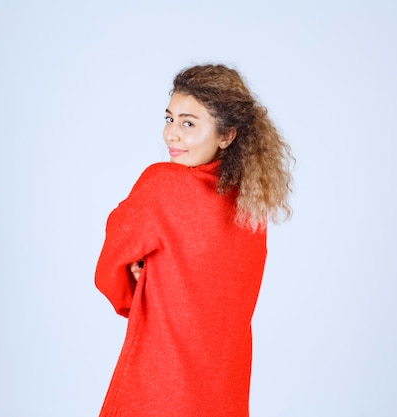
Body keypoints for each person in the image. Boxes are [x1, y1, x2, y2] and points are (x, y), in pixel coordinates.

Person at [94, 63, 293, 417]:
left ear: (226, 135)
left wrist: (139, 281)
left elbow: (111, 268)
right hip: (224, 390)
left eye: (188, 123)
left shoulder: (162, 186)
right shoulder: (251, 205)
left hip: (159, 386)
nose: (171, 134)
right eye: (169, 119)